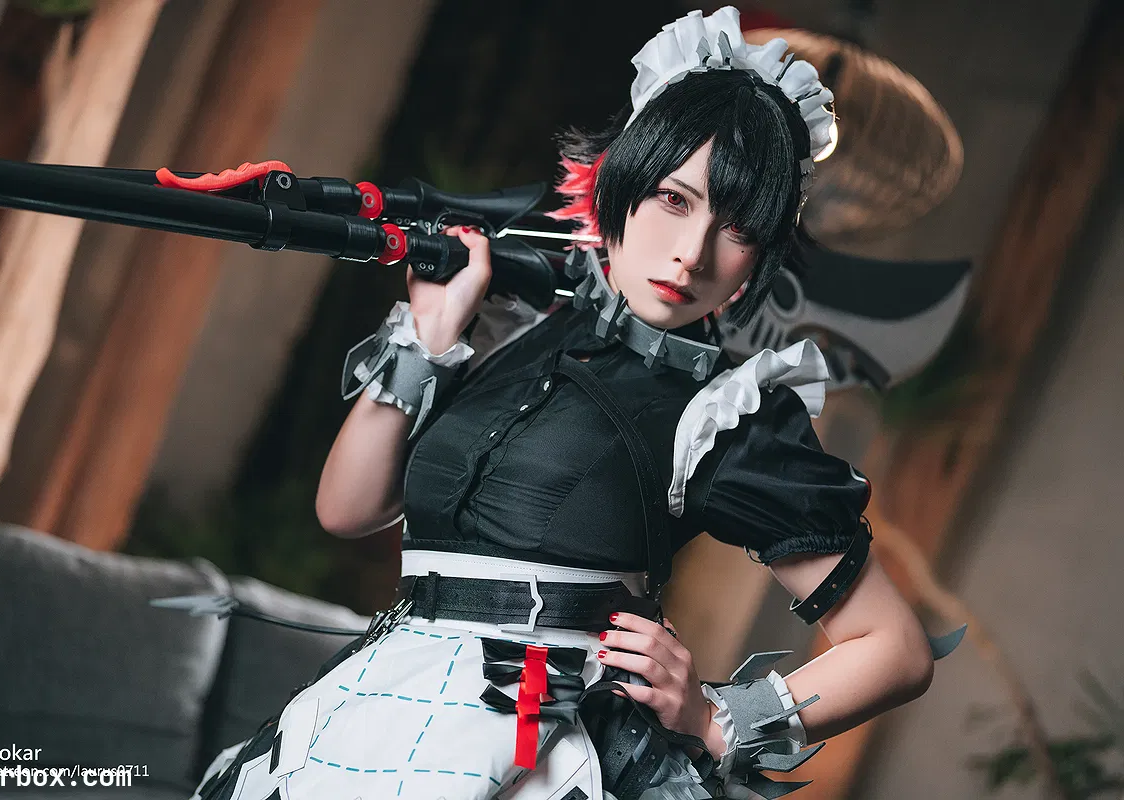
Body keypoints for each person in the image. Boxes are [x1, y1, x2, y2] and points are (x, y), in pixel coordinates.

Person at [191, 7, 956, 800]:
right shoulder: (513, 331)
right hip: (375, 708)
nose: (691, 254)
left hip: (545, 752)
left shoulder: (725, 412)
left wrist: (717, 717)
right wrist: (429, 336)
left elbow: (895, 649)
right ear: (623, 184)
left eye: (736, 230)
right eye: (674, 199)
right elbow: (348, 509)